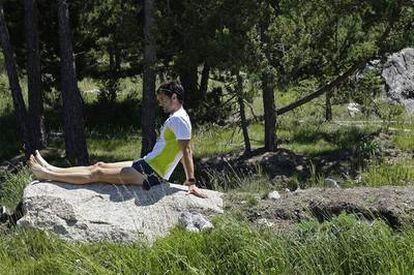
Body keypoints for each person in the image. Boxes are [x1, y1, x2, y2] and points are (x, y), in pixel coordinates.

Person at [28, 81, 208, 199]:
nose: (160, 102)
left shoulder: (179, 119)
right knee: (99, 165)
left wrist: (191, 182)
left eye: (163, 99)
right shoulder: (178, 117)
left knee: (96, 174)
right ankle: (52, 168)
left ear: (174, 97)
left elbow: (187, 151)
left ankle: (48, 175)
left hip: (151, 173)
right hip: (147, 164)